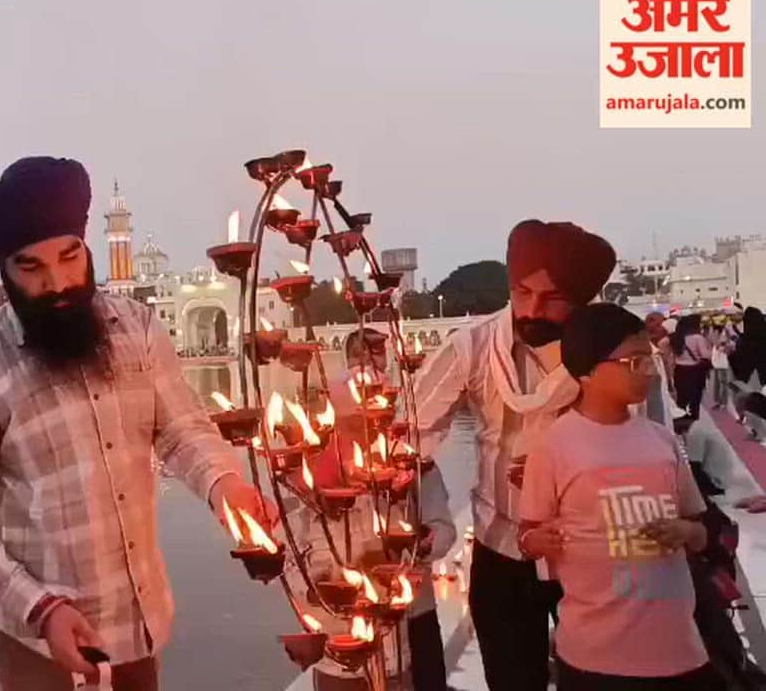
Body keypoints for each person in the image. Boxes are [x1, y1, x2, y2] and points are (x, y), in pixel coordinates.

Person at [0, 156, 275, 691]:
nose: (59, 282)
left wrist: (224, 482)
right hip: (45, 646)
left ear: (88, 246)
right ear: (5, 270)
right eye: (32, 267)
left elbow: (181, 430)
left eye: (70, 257)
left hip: (140, 624)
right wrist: (40, 609)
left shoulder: (134, 328)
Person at [414, 219, 617, 690]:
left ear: (583, 300)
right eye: (522, 292)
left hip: (591, 553)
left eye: (552, 299)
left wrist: (570, 472)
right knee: (511, 680)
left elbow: (643, 449)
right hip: (501, 549)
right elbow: (411, 438)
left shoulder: (613, 353)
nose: (532, 310)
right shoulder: (472, 348)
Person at [518, 303, 721, 690]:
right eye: (634, 362)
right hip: (594, 658)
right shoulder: (553, 446)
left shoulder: (661, 440)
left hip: (678, 649)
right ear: (588, 371)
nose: (648, 372)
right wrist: (534, 542)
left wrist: (687, 533)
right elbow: (528, 535)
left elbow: (701, 526)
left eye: (649, 360)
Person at [295, 328, 455, 690]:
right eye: (351, 424)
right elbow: (297, 552)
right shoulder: (315, 477)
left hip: (412, 612)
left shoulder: (412, 463)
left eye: (378, 355)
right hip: (346, 626)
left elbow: (443, 530)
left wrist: (417, 545)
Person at [672, 315, 714, 419]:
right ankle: (693, 421)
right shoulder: (697, 338)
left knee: (681, 399)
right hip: (694, 372)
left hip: (679, 371)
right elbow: (705, 355)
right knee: (694, 400)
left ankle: (681, 421)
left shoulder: (677, 337)